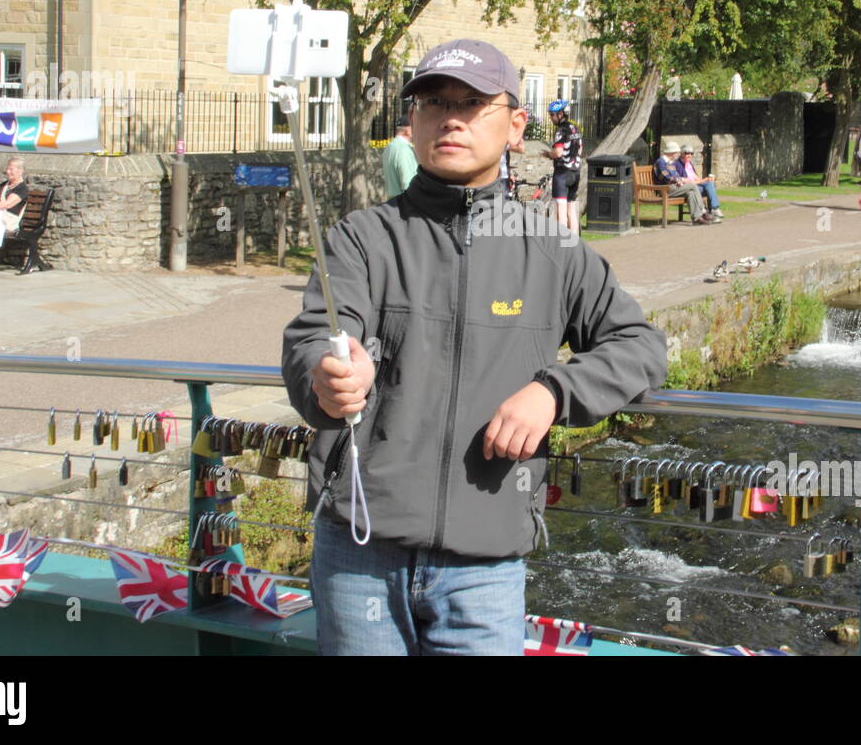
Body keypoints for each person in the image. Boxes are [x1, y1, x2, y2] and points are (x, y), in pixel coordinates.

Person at [282, 38, 666, 656]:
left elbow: (641, 346)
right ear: (412, 121)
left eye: (473, 103)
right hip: (359, 552)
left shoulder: (552, 250)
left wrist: (554, 392)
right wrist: (327, 371)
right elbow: (317, 334)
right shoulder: (363, 238)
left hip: (485, 566)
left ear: (516, 125)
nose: (451, 118)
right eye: (434, 102)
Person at [653, 142, 717, 225]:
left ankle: (696, 218)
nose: (678, 154)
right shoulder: (661, 162)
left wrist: (679, 181)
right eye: (676, 152)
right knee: (692, 185)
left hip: (673, 188)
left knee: (691, 193)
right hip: (665, 190)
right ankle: (703, 211)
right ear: (671, 153)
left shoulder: (670, 162)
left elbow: (675, 175)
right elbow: (666, 178)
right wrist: (680, 179)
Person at [544, 100, 582, 234]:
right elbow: (580, 150)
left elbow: (558, 152)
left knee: (561, 209)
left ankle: (563, 245)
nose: (550, 118)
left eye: (552, 115)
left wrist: (549, 154)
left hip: (562, 173)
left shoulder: (561, 130)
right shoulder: (575, 128)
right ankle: (575, 243)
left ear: (560, 114)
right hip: (576, 172)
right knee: (571, 209)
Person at [674, 145, 724, 219]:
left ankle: (714, 209)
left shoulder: (689, 164)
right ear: (681, 153)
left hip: (695, 186)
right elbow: (687, 183)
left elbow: (697, 178)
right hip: (688, 188)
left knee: (710, 184)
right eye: (687, 153)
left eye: (691, 153)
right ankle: (712, 210)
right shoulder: (678, 164)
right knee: (709, 187)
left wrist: (706, 180)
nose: (690, 155)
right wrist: (704, 180)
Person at [381, 115, 419, 198]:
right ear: (408, 130)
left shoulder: (389, 147)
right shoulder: (404, 149)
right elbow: (408, 183)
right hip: (404, 204)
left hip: (392, 201)